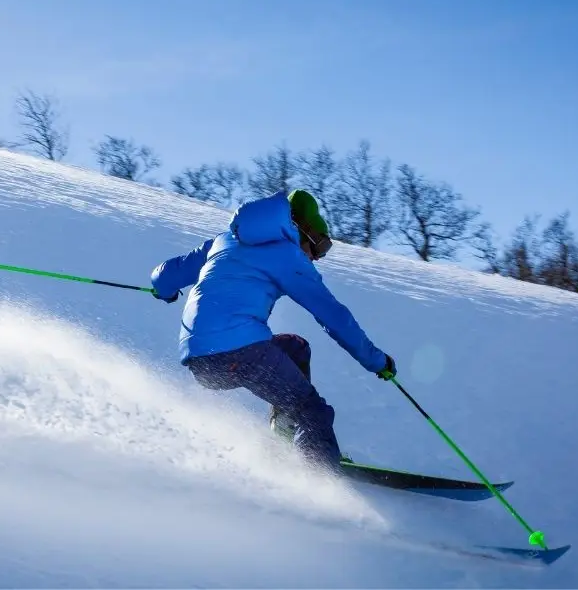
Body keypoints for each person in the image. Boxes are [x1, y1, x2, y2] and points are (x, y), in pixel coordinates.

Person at [150, 189, 396, 474]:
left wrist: (164, 292)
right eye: (319, 246)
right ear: (301, 229)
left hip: (200, 362)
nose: (316, 257)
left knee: (295, 347)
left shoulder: (223, 240)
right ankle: (319, 476)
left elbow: (165, 275)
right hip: (241, 352)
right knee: (311, 410)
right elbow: (333, 316)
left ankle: (285, 438)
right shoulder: (287, 255)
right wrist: (376, 361)